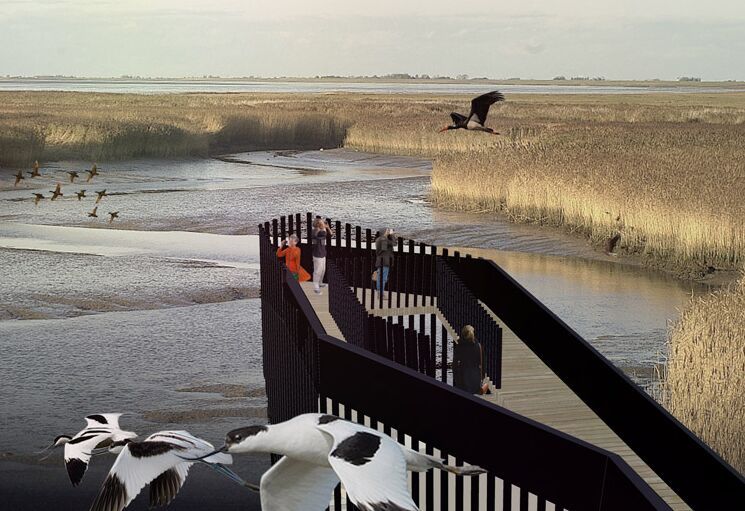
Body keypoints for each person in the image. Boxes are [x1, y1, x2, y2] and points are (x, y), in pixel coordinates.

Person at [453, 325, 484, 394]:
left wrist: (456, 378)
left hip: (463, 378)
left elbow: (455, 364)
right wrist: (481, 378)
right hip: (476, 378)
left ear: (462, 334)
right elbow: (482, 364)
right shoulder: (478, 345)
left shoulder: (460, 346)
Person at [312, 216, 332, 295]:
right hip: (317, 254)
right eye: (321, 222)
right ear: (317, 224)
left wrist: (328, 227)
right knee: (317, 271)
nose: (323, 223)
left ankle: (320, 282)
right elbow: (322, 234)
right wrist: (324, 227)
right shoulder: (315, 231)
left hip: (323, 253)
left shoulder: (322, 230)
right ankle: (316, 287)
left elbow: (330, 234)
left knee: (323, 269)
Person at [375, 227, 396, 297]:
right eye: (387, 230)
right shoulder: (384, 239)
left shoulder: (379, 239)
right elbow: (394, 243)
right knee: (383, 278)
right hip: (384, 261)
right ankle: (381, 294)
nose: (388, 231)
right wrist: (392, 235)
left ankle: (379, 293)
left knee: (380, 278)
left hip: (381, 261)